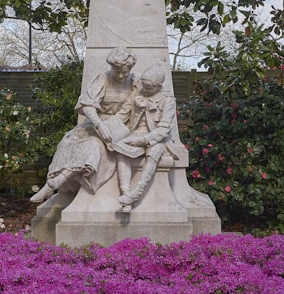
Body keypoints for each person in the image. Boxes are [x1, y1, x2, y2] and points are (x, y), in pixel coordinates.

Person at [29, 48, 137, 203]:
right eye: (117, 70)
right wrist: (99, 124)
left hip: (118, 129)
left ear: (130, 69)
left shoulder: (135, 82)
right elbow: (87, 104)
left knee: (93, 146)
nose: (120, 75)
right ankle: (53, 183)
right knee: (68, 140)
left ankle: (53, 185)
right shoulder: (103, 78)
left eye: (124, 72)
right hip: (96, 123)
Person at [113, 64, 176, 213]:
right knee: (121, 151)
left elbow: (163, 129)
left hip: (158, 139)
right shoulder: (137, 93)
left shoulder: (168, 101)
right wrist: (108, 127)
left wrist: (143, 140)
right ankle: (126, 194)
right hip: (134, 133)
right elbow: (123, 113)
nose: (145, 89)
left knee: (154, 153)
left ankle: (137, 193)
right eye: (144, 85)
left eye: (149, 87)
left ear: (158, 86)